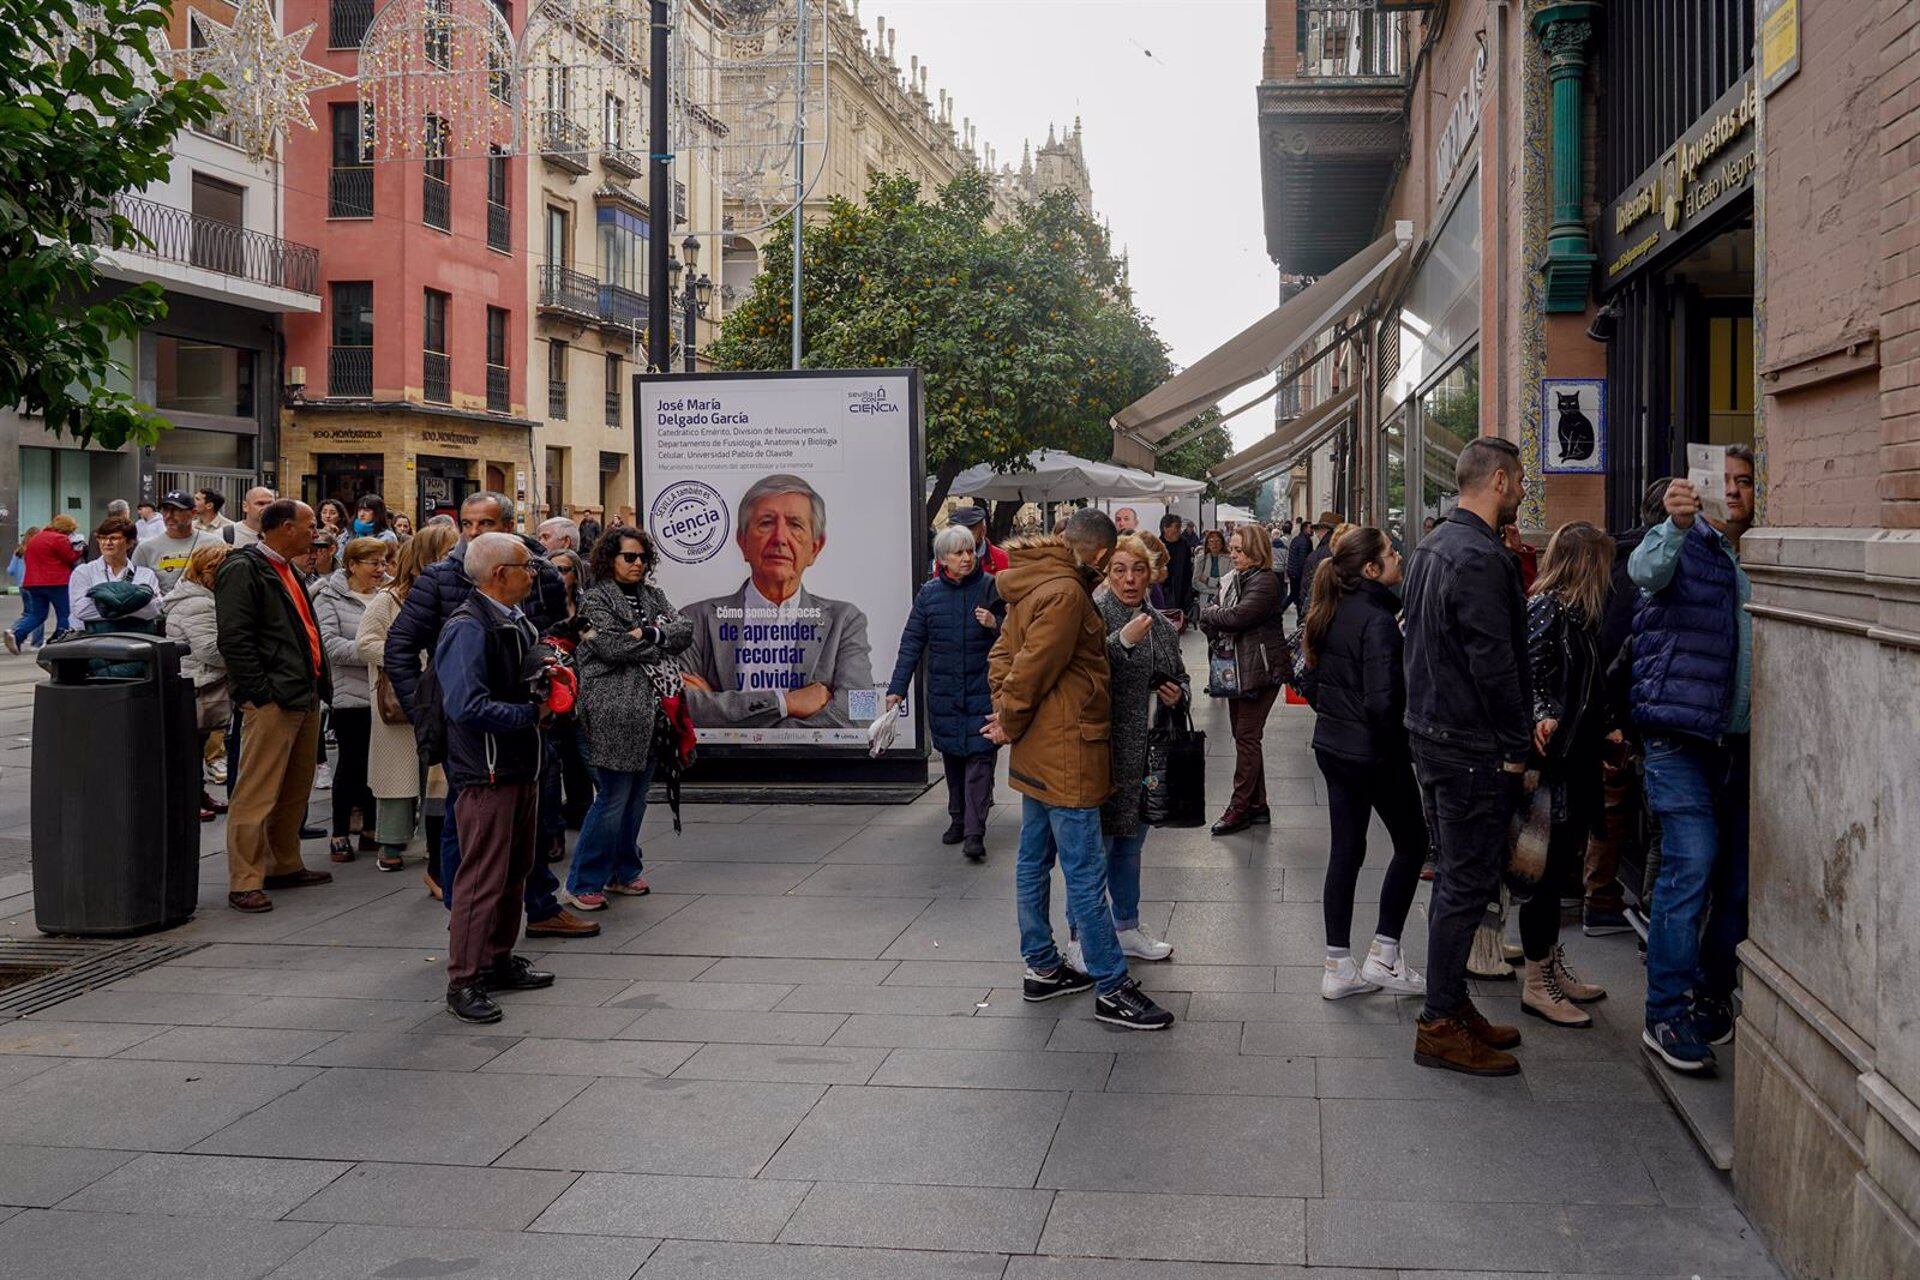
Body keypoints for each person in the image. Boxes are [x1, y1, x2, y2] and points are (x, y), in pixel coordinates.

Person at [986, 508, 1174, 1030]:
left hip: (1042, 748)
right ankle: (1112, 986)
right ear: (1097, 555)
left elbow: (1003, 657)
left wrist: (1010, 715)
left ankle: (1043, 967)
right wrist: (1009, 717)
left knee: (1033, 859)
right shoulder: (1068, 594)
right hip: (1068, 748)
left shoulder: (1034, 580)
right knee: (1086, 871)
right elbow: (1028, 668)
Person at [382, 491, 592, 939]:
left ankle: (538, 907)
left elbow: (552, 638)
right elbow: (399, 646)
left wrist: (549, 687)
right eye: (468, 523)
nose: (474, 532)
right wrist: (428, 712)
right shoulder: (441, 579)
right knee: (466, 823)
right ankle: (467, 922)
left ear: (508, 527)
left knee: (530, 821)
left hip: (527, 724)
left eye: (486, 523)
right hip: (473, 727)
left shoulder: (541, 576)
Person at [1401, 435, 1532, 1076]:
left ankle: (1451, 1004)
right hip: (1468, 745)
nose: (1525, 492)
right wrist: (1516, 746)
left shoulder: (1433, 545)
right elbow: (1494, 662)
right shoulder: (1478, 556)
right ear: (1501, 481)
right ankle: (1440, 1023)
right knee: (1465, 882)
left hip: (1435, 735)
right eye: (1521, 480)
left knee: (1459, 877)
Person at [1631, 444, 1755, 1074]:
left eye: (1745, 482)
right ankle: (1665, 1013)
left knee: (1734, 879)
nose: (1733, 491)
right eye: (1724, 481)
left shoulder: (1757, 554)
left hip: (1740, 744)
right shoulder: (1682, 540)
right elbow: (1643, 573)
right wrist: (1676, 525)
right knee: (1692, 863)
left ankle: (1709, 992)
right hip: (1678, 736)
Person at [1296, 527, 1429, 1001]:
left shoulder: (1330, 609)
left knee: (1346, 851)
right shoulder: (1377, 621)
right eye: (1392, 553)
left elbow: (1307, 680)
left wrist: (1336, 716)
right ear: (1371, 569)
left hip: (1334, 747)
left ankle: (1338, 964)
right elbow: (1382, 703)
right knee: (1414, 843)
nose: (1400, 558)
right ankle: (1384, 955)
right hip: (1374, 753)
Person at [434, 532, 558, 1023]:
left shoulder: (513, 618)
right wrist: (530, 712)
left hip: (519, 763)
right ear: (498, 574)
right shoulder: (468, 626)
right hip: (486, 769)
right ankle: (464, 979)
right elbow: (465, 705)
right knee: (482, 876)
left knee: (514, 870)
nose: (534, 573)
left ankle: (498, 960)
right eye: (526, 566)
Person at [214, 499, 335, 914]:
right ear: (285, 527)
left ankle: (283, 863)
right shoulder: (244, 568)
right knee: (257, 791)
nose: (314, 532)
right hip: (274, 699)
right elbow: (235, 637)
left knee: (294, 788)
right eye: (309, 525)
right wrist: (259, 693)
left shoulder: (286, 569)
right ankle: (245, 880)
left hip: (302, 694)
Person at [1519, 521, 1617, 1028]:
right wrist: (1542, 713)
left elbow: (1586, 688)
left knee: (1559, 870)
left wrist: (1606, 729)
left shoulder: (1578, 615)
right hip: (1552, 765)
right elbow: (1529, 671)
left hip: (1573, 761)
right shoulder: (1548, 608)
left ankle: (1548, 963)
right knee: (1546, 872)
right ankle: (1538, 982)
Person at [679, 474, 873, 729]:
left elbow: (861, 711)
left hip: (810, 769)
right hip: (721, 769)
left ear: (815, 548)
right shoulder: (695, 620)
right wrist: (786, 703)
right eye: (766, 523)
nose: (780, 538)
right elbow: (679, 705)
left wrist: (733, 720)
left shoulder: (846, 621)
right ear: (742, 542)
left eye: (795, 524)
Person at [564, 526, 693, 909]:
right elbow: (608, 644)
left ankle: (623, 870)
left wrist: (647, 633)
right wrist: (657, 641)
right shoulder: (594, 601)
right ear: (610, 559)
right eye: (629, 557)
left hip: (653, 712)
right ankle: (583, 880)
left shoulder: (653, 595)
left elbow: (684, 630)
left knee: (636, 799)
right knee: (613, 797)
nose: (637, 564)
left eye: (642, 557)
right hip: (612, 710)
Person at [1075, 530, 1185, 963]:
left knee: (1130, 846)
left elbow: (1178, 674)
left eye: (1139, 570)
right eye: (1119, 570)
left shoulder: (1160, 623)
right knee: (1094, 852)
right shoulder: (1095, 616)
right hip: (1103, 753)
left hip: (1147, 756)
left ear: (1151, 574)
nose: (1129, 579)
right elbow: (1085, 675)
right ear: (1106, 574)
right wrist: (1123, 642)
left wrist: (1178, 693)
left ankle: (1126, 927)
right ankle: (1081, 937)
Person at [1585, 478, 1672, 937]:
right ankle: (1608, 899)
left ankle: (1599, 894)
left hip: (1610, 697)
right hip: (1637, 701)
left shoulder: (1613, 558)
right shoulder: (1653, 567)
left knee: (1613, 804)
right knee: (1640, 811)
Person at [887, 524, 1003, 861]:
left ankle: (974, 832)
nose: (967, 558)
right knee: (953, 759)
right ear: (943, 559)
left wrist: (995, 625)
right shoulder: (929, 594)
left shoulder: (991, 587)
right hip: (945, 692)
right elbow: (911, 643)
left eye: (970, 551)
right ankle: (957, 818)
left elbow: (1017, 636)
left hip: (983, 690)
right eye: (958, 553)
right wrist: (897, 689)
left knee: (981, 759)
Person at [357, 522, 458, 879]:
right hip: (401, 698)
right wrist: (411, 659)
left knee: (436, 774)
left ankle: (436, 840)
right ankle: (391, 842)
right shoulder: (390, 598)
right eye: (447, 552)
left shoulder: (447, 594)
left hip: (438, 696)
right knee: (398, 776)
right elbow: (365, 642)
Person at [1198, 525, 1288, 836]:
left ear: (1256, 551)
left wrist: (1211, 613)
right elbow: (1229, 616)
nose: (1232, 555)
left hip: (1260, 669)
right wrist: (1218, 613)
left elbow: (1238, 617)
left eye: (1238, 550)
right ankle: (1258, 805)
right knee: (1244, 735)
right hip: (1243, 667)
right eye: (1232, 549)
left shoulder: (1265, 580)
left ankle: (1239, 806)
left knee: (1247, 736)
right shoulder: (1244, 577)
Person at [315, 536, 389, 863]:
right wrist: (380, 653)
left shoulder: (389, 594)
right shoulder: (328, 596)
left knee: (378, 765)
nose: (380, 569)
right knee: (350, 764)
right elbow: (330, 646)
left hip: (384, 693)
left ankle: (373, 829)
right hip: (350, 695)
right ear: (353, 565)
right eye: (373, 563)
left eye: (384, 562)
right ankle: (340, 831)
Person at [163, 543, 234, 823]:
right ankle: (188, 798)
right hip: (197, 684)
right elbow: (209, 650)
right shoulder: (199, 604)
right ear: (209, 572)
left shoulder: (203, 598)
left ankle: (198, 793)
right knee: (191, 747)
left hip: (197, 682)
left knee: (197, 744)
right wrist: (243, 659)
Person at [69, 515, 161, 628]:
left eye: (114, 538)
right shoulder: (84, 572)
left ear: (130, 543)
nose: (107, 543)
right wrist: (134, 603)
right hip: (93, 639)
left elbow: (154, 609)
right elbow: (81, 610)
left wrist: (104, 603)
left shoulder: (145, 574)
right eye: (102, 538)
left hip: (135, 638)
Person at [6, 516, 81, 653]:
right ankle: (61, 641)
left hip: (33, 583)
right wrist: (79, 549)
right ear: (66, 529)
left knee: (37, 615)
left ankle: (17, 635)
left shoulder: (36, 538)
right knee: (65, 614)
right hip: (57, 582)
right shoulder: (59, 539)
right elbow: (70, 557)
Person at [132, 491, 222, 593]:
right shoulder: (145, 548)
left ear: (193, 513)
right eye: (165, 510)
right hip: (163, 607)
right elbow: (136, 588)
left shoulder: (214, 544)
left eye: (176, 510)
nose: (169, 516)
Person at [1155, 513, 1195, 628]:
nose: (1179, 530)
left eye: (1179, 527)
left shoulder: (1184, 544)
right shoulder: (1157, 545)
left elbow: (1188, 569)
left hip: (1181, 589)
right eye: (1176, 527)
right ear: (1165, 528)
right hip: (1163, 589)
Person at [946, 505, 1008, 574]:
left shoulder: (1002, 558)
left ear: (983, 530)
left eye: (970, 530)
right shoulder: (945, 558)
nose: (964, 536)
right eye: (958, 531)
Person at [1285, 517, 1317, 623]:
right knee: (1297, 595)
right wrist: (1304, 574)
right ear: (1304, 529)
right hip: (1298, 573)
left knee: (1295, 595)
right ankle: (1298, 616)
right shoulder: (1305, 541)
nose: (1312, 530)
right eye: (1310, 528)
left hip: (1293, 572)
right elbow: (1304, 559)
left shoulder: (1297, 539)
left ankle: (1284, 610)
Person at [1192, 529, 1229, 611]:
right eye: (1211, 541)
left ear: (1222, 544)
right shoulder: (1201, 559)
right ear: (1207, 544)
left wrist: (1208, 580)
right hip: (1205, 599)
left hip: (1224, 598)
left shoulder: (1229, 559)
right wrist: (1214, 591)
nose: (1214, 544)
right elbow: (1195, 582)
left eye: (1217, 541)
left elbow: (1227, 582)